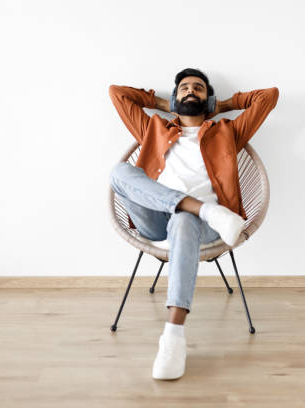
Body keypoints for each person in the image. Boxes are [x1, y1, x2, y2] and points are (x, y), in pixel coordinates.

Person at [109, 68, 278, 380]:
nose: (190, 91)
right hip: (157, 221)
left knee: (185, 220)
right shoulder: (153, 129)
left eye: (198, 88)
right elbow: (117, 93)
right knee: (120, 173)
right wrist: (163, 103)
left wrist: (222, 105)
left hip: (202, 229)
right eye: (184, 88)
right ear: (175, 97)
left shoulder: (228, 132)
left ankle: (173, 337)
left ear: (208, 97)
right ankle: (202, 209)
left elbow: (269, 97)